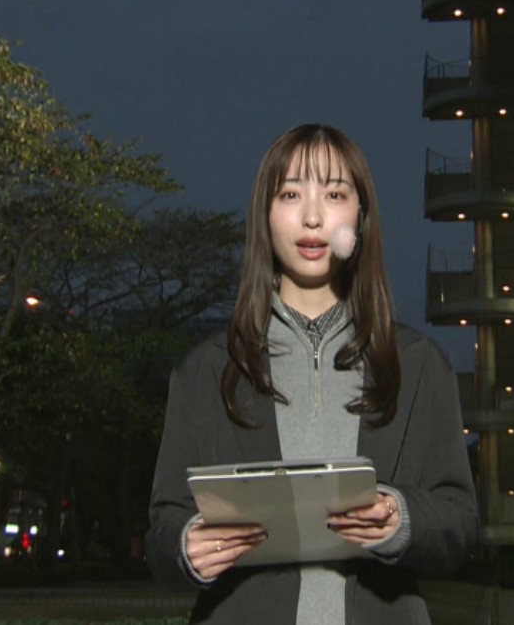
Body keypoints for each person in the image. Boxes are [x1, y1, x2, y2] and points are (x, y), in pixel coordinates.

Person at [146, 124, 477, 624]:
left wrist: (400, 516)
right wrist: (185, 546)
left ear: (361, 215)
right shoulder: (206, 369)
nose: (313, 216)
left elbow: (460, 520)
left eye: (335, 194)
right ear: (265, 213)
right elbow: (161, 529)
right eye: (291, 194)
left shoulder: (420, 364)